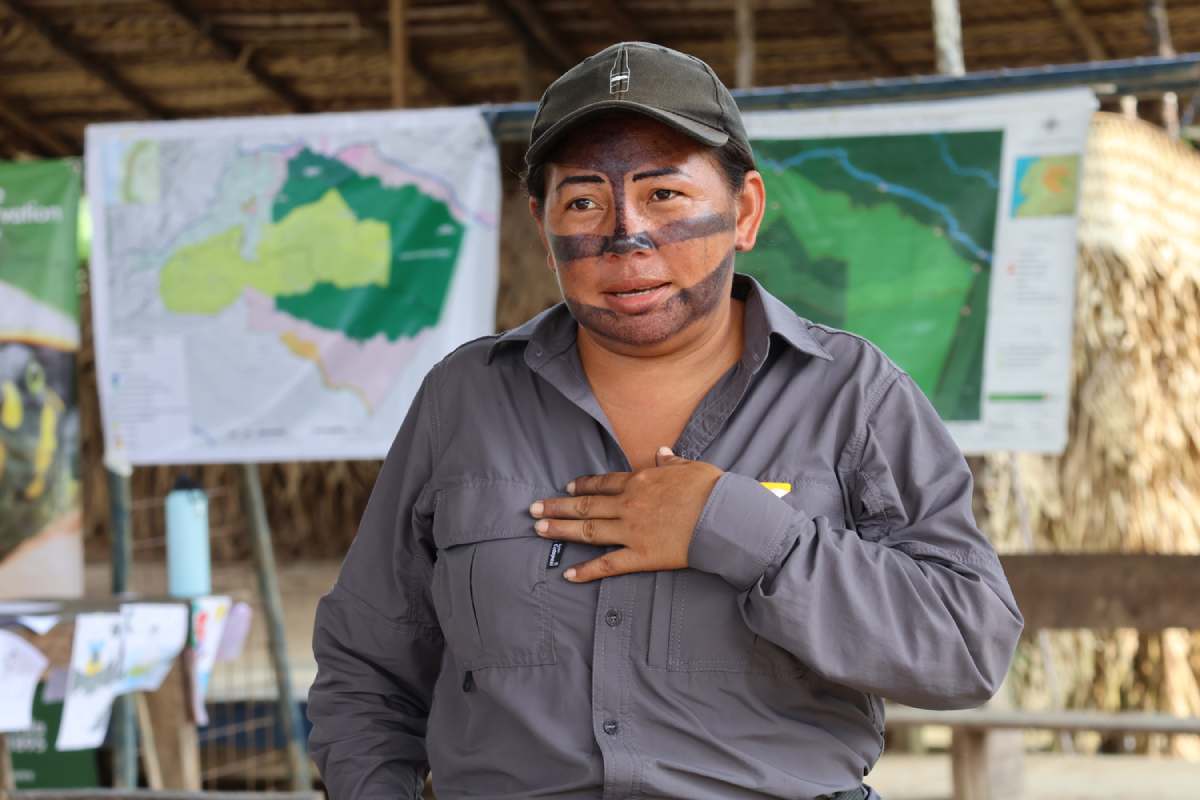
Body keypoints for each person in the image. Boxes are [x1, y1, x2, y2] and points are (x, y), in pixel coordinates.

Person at [307, 41, 1024, 800]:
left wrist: (737, 527)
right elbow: (366, 668)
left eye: (665, 195)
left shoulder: (853, 397)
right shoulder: (466, 400)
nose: (626, 235)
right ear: (541, 226)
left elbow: (966, 646)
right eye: (583, 201)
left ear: (744, 211)